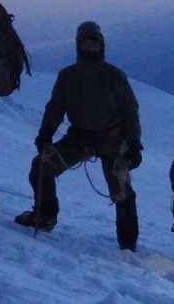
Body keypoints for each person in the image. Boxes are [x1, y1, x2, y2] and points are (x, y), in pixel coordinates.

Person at [14, 21, 142, 251]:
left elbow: (130, 111)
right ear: (78, 46)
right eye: (86, 44)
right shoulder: (68, 76)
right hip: (80, 139)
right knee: (42, 168)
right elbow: (55, 109)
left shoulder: (114, 76)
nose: (90, 48)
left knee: (122, 192)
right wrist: (45, 134)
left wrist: (133, 143)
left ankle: (128, 244)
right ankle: (45, 217)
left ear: (101, 46)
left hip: (111, 140)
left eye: (94, 44)